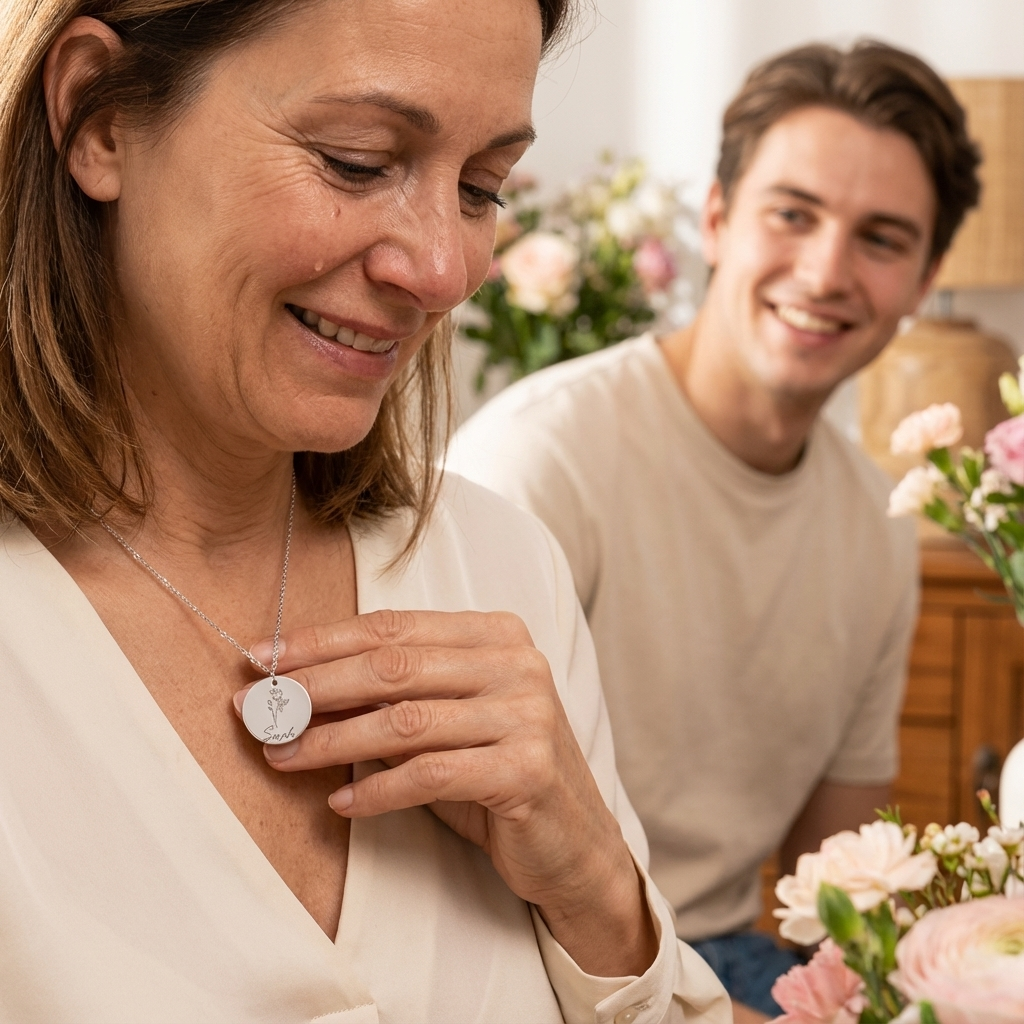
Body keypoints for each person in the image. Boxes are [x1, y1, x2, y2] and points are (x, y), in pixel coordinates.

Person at [0, 2, 732, 1021]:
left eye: (482, 188)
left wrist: (600, 892)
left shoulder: (499, 564)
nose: (443, 272)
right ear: (98, 118)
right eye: (355, 160)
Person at [450, 41, 981, 1021]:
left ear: (923, 278)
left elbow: (836, 893)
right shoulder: (540, 458)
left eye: (880, 237)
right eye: (792, 214)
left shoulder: (880, 526)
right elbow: (451, 872)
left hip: (734, 958)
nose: (825, 270)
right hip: (532, 955)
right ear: (716, 218)